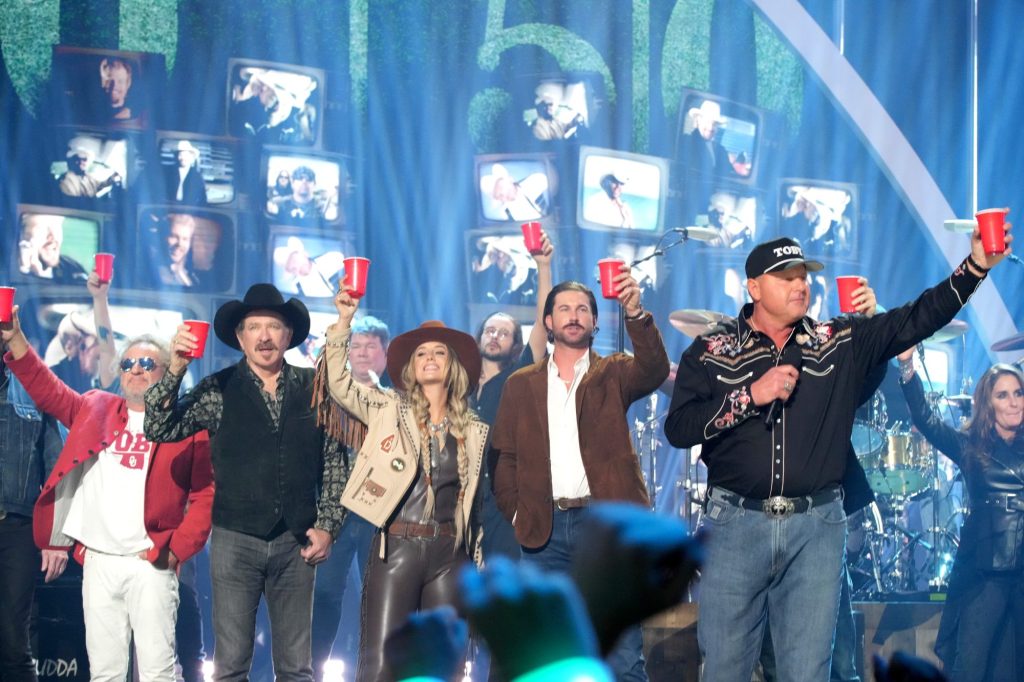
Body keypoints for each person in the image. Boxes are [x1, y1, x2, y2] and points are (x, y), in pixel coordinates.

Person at [663, 230, 1011, 682]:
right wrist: (751, 395)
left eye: (803, 275)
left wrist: (975, 268)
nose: (800, 285)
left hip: (816, 528)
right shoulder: (711, 349)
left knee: (808, 673)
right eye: (785, 277)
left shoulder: (836, 339)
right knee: (725, 669)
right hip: (735, 525)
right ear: (753, 287)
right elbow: (679, 428)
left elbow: (919, 316)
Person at [143, 283, 348, 682]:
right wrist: (175, 369)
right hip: (235, 539)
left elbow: (335, 462)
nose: (265, 336)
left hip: (297, 541)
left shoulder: (315, 387)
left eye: (274, 326)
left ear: (288, 336)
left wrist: (328, 526)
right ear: (240, 337)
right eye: (254, 327)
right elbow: (158, 426)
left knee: (296, 667)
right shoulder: (218, 388)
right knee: (231, 664)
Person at [2, 310, 214, 682]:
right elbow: (44, 387)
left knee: (157, 674)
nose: (136, 369)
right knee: (104, 674)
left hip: (151, 563)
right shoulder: (95, 407)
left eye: (148, 362)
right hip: (99, 563)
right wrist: (14, 336)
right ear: (119, 371)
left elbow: (205, 494)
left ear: (166, 373)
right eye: (129, 362)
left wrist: (178, 548)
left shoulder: (186, 425)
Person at [491, 269, 670, 681]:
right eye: (564, 309)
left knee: (623, 657)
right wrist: (518, 513)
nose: (574, 316)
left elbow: (656, 369)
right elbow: (505, 457)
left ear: (595, 321)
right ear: (548, 322)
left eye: (583, 309)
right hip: (543, 531)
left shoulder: (614, 372)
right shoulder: (521, 384)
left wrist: (636, 311)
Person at [322, 290, 488, 682]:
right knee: (382, 665)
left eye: (439, 353)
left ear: (453, 366)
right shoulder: (387, 409)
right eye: (422, 354)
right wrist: (343, 324)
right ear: (412, 367)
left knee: (443, 667)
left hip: (450, 554)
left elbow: (477, 503)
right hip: (396, 547)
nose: (430, 358)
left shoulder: (476, 431)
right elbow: (339, 384)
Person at [896, 349, 1024, 681]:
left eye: (1018, 392)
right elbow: (925, 419)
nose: (1013, 402)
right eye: (1003, 395)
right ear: (989, 404)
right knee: (971, 665)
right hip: (985, 571)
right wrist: (907, 366)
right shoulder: (971, 445)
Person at [309, 314, 390, 680]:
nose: (362, 353)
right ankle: (309, 670)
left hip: (381, 517)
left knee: (378, 601)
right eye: (355, 345)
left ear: (385, 353)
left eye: (370, 345)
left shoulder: (398, 403)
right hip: (334, 516)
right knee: (324, 596)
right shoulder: (326, 400)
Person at [471, 230, 554, 563]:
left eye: (504, 333)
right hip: (459, 500)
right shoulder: (460, 382)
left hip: (499, 499)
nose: (495, 336)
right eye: (490, 330)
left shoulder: (515, 377)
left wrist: (543, 266)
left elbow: (542, 326)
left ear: (514, 345)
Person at [0, 344, 63, 682]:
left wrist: (57, 537)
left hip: (16, 528)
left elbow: (59, 468)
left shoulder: (32, 390)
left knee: (14, 642)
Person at [17, 213, 88, 283]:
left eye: (56, 226)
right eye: (42, 228)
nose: (53, 237)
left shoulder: (73, 268)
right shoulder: (12, 271)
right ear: (22, 236)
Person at [679, 99, 737, 178]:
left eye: (715, 124)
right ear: (698, 120)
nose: (710, 127)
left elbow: (730, 176)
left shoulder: (721, 151)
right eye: (707, 121)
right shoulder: (686, 142)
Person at [272, 236, 344, 297]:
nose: (297, 267)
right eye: (292, 269)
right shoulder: (296, 287)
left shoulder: (332, 258)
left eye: (294, 261)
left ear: (304, 253)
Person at [479, 163, 548, 221]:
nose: (503, 194)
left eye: (501, 187)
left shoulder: (537, 180)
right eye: (499, 196)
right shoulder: (505, 216)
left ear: (510, 179)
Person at [157, 213, 201, 288]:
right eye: (174, 236)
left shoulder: (192, 276)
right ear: (161, 238)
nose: (180, 244)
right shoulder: (155, 274)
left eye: (185, 239)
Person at [165, 140, 208, 206]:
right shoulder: (169, 173)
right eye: (180, 154)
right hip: (169, 206)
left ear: (191, 157)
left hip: (189, 209)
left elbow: (203, 198)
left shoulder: (197, 176)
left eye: (185, 155)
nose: (182, 158)